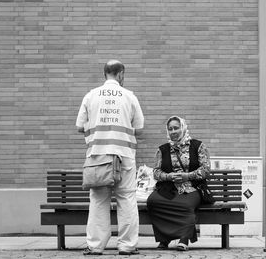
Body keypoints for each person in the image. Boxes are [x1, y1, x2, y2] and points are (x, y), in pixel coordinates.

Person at [76, 60, 144, 256]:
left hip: (98, 156)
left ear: (105, 73)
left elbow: (80, 127)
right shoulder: (129, 96)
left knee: (98, 201)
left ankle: (95, 246)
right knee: (127, 199)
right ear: (121, 74)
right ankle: (127, 246)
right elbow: (139, 129)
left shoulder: (91, 95)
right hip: (124, 156)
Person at [147, 115, 211, 251]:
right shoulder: (162, 149)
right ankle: (164, 239)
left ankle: (184, 239)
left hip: (191, 188)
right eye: (170, 129)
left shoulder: (198, 146)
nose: (173, 131)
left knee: (186, 205)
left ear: (183, 128)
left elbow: (205, 170)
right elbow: (156, 172)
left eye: (176, 128)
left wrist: (186, 176)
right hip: (168, 188)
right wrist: (169, 176)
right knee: (153, 201)